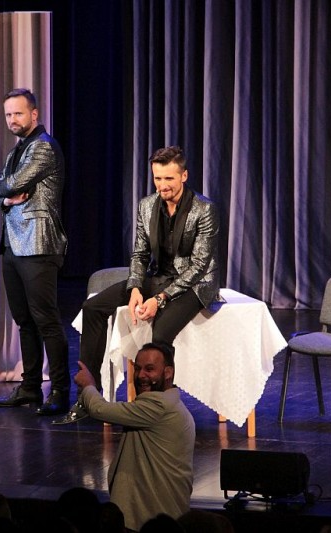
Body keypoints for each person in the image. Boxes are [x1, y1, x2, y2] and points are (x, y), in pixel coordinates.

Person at [55, 145, 220, 424]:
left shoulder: (204, 209)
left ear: (184, 176)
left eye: (169, 178)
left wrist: (160, 299)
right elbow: (140, 255)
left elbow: (199, 265)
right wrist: (134, 289)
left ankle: (159, 407)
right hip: (158, 276)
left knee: (160, 334)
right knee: (93, 307)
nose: (162, 185)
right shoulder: (147, 205)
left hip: (195, 285)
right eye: (158, 178)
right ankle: (87, 397)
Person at [0, 88, 71, 416]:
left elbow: (8, 184)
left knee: (46, 319)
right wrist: (5, 198)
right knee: (24, 321)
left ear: (34, 114)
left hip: (38, 244)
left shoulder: (44, 147)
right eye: (8, 114)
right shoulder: (16, 151)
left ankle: (61, 390)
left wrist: (3, 192)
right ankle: (30, 386)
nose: (12, 119)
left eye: (18, 113)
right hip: (12, 244)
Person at [73, 342, 195, 532]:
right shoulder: (171, 404)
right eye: (138, 368)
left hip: (153, 519)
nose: (141, 375)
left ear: (168, 372)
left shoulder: (159, 405)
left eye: (150, 369)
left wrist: (88, 385)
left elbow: (99, 409)